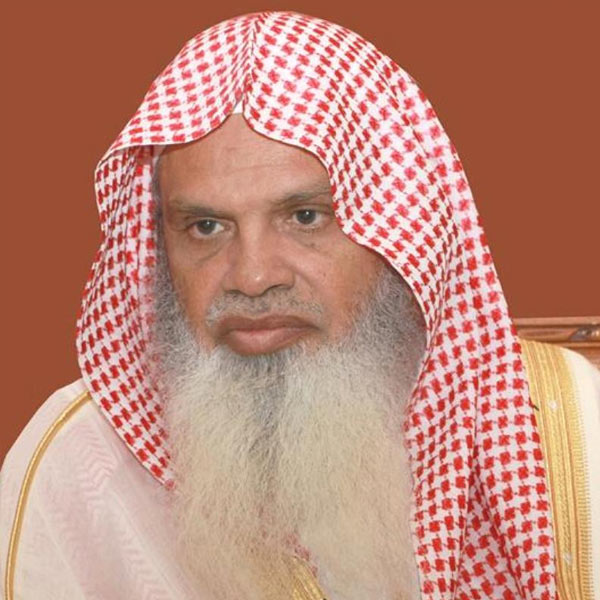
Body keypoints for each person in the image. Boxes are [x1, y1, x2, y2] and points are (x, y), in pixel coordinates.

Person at [1, 11, 599, 600]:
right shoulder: (80, 467)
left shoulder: (567, 424)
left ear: (403, 230)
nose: (253, 276)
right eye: (206, 227)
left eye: (305, 217)